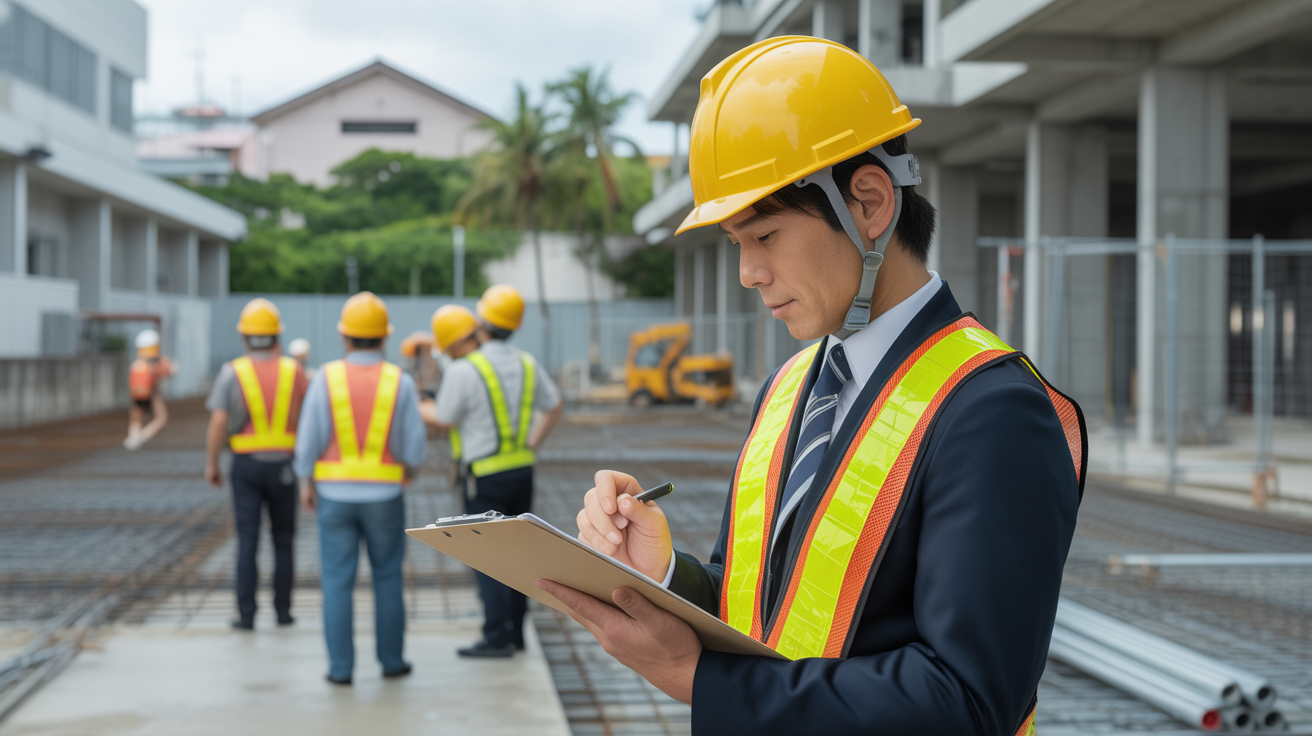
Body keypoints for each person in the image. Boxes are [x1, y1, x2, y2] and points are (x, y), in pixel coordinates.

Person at [541, 37, 1087, 736]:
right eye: (738, 244)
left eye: (765, 236)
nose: (748, 273)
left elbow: (970, 701)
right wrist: (666, 576)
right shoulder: (792, 386)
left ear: (869, 203)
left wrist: (699, 679)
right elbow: (768, 615)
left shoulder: (992, 410)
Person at [293, 292, 427, 685]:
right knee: (387, 579)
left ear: (344, 337)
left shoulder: (326, 378)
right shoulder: (399, 381)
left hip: (333, 496)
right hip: (385, 496)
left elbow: (308, 442)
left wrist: (305, 482)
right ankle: (391, 663)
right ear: (385, 338)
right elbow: (413, 448)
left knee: (336, 582)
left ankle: (340, 670)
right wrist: (408, 470)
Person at [425, 287, 563, 658]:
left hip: (484, 478)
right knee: (518, 555)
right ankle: (515, 633)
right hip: (522, 471)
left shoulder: (464, 368)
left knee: (485, 557)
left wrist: (419, 404)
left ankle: (495, 637)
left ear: (481, 321)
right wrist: (531, 442)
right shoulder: (527, 362)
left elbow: (443, 417)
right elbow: (554, 404)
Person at [204, 298, 309, 630]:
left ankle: (246, 614)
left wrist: (212, 464)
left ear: (245, 337)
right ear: (277, 337)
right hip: (285, 467)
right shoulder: (295, 371)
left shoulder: (231, 372)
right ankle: (283, 612)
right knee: (284, 539)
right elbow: (307, 419)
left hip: (246, 466)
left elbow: (219, 424)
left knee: (247, 540)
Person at [124, 328, 176, 450]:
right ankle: (139, 438)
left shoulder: (137, 364)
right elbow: (172, 371)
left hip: (137, 394)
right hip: (151, 393)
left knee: (136, 419)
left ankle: (134, 439)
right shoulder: (156, 363)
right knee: (161, 418)